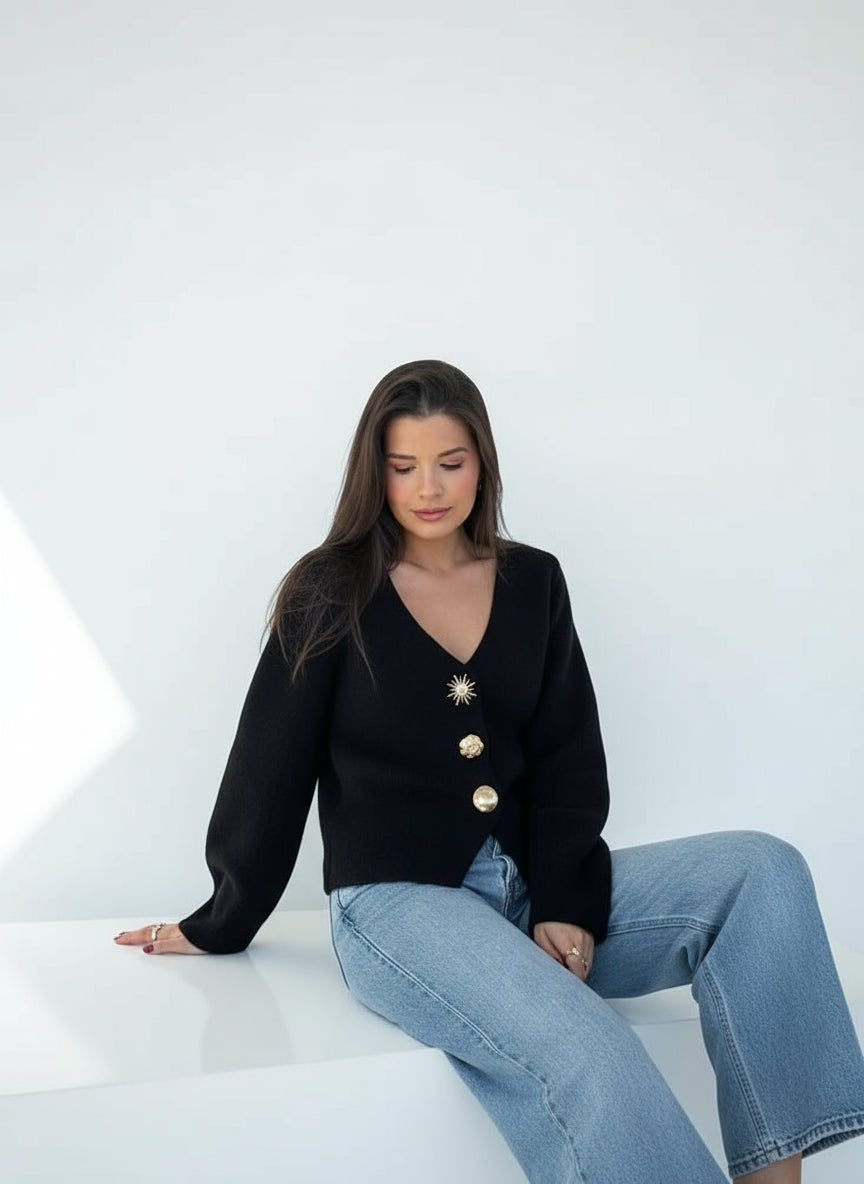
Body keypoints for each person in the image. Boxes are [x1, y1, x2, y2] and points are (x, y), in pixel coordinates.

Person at [115, 360, 864, 1183]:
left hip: (529, 888)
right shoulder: (329, 591)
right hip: (399, 906)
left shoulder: (534, 580)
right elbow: (269, 765)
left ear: (483, 462)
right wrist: (221, 919)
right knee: (588, 1047)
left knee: (762, 871)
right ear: (374, 472)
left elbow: (568, 755)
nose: (428, 488)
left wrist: (566, 899)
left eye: (450, 462)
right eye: (403, 466)